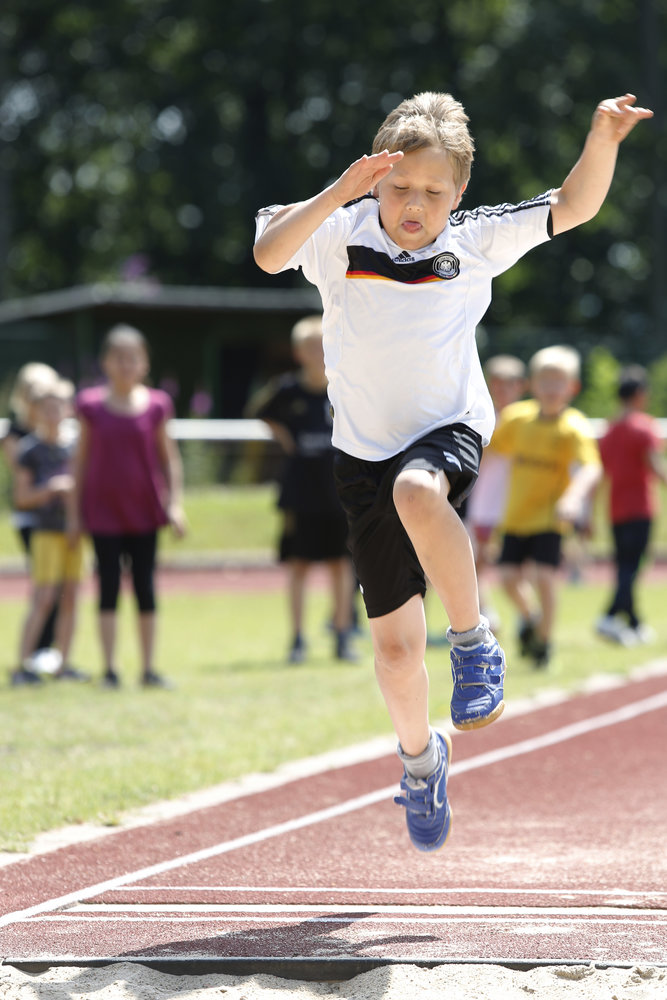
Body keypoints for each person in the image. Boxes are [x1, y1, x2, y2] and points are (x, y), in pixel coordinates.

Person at [253, 91, 652, 852]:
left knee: (417, 488)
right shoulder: (335, 230)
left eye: (434, 192)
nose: (414, 205)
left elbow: (573, 205)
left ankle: (472, 639)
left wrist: (601, 137)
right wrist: (337, 193)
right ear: (374, 179)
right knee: (397, 652)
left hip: (448, 428)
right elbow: (269, 253)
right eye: (400, 187)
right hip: (360, 453)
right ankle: (418, 760)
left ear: (459, 193)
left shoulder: (473, 239)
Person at [70, 325, 186, 688]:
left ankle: (149, 669)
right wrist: (74, 516)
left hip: (145, 511)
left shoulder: (156, 405)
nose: (125, 364)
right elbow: (79, 463)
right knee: (106, 588)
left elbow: (171, 460)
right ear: (105, 362)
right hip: (102, 513)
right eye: (118, 357)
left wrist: (176, 505)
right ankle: (110, 670)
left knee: (145, 588)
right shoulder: (89, 406)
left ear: (144, 363)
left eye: (132, 357)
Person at [250, 315, 357, 663]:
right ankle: (297, 639)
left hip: (339, 488)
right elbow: (261, 413)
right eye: (310, 346)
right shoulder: (287, 390)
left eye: (322, 343)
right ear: (299, 353)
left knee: (341, 563)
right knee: (298, 565)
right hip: (300, 490)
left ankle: (342, 635)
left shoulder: (343, 386)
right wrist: (287, 439)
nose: (318, 351)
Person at [493, 346, 602, 667]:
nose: (552, 388)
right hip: (516, 516)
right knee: (507, 578)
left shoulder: (574, 426)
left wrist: (573, 497)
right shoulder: (516, 419)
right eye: (545, 380)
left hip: (551, 517)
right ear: (532, 384)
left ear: (573, 387)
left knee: (543, 576)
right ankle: (531, 617)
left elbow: (591, 467)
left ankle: (544, 641)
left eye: (560, 381)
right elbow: (489, 446)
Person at [12, 380, 88, 686]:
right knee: (44, 598)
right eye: (47, 407)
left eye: (59, 405)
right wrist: (50, 490)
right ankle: (24, 665)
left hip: (75, 535)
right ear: (36, 412)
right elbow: (22, 497)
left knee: (71, 598)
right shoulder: (29, 449)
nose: (54, 412)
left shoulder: (77, 446)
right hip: (46, 534)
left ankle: (63, 664)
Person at [596, 365, 667, 645]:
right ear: (640, 394)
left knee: (625, 566)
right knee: (631, 567)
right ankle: (609, 616)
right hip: (640, 507)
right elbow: (654, 464)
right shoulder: (644, 426)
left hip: (616, 508)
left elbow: (603, 471)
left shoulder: (609, 429)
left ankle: (634, 623)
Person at [2, 362, 63, 654]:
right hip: (32, 519)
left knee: (59, 587)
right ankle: (35, 651)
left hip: (58, 519)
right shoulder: (16, 434)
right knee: (44, 586)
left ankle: (48, 649)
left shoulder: (59, 431)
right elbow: (24, 475)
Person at [465, 355, 527, 632]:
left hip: (520, 504)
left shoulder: (530, 420)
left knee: (517, 568)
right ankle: (486, 613)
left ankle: (529, 618)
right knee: (478, 562)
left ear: (521, 386)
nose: (502, 390)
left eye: (509, 384)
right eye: (497, 383)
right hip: (485, 504)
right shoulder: (480, 416)